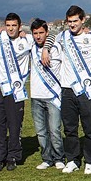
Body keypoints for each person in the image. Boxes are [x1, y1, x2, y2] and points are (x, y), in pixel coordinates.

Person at [53, 6, 91, 175]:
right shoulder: (62, 36)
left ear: (83, 20)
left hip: (87, 90)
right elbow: (49, 38)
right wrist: (46, 49)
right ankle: (73, 159)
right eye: (69, 22)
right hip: (67, 89)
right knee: (69, 128)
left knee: (89, 128)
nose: (72, 25)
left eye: (75, 21)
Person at [0, 13, 33, 172]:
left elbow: (48, 38)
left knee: (14, 126)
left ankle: (13, 157)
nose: (11, 28)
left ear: (20, 26)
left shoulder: (27, 40)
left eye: (14, 25)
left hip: (16, 90)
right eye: (8, 25)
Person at [29, 19, 65, 171]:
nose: (38, 36)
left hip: (53, 96)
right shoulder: (30, 47)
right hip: (36, 96)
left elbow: (57, 33)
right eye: (35, 33)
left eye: (41, 33)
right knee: (41, 131)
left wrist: (46, 48)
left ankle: (59, 157)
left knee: (55, 130)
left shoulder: (56, 47)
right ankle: (47, 158)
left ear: (46, 33)